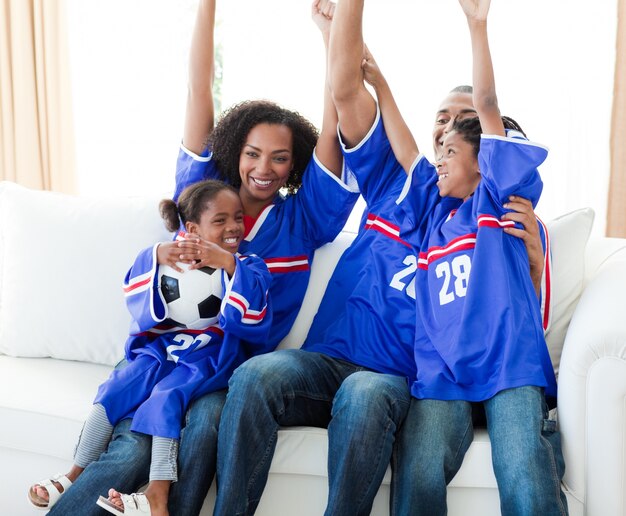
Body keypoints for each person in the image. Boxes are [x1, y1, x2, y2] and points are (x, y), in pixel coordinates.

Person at [213, 2, 552, 515]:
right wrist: (342, 29)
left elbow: (514, 303)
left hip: (397, 374)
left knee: (367, 396)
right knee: (257, 376)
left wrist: (532, 258)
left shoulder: (498, 211)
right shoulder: (401, 185)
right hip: (332, 357)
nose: (449, 129)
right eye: (442, 119)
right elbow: (348, 91)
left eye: (464, 122)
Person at [38, 1, 359, 515]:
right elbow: (198, 90)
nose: (264, 168)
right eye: (253, 153)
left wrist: (329, 38)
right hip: (164, 351)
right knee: (134, 443)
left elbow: (333, 131)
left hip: (226, 366)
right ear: (234, 151)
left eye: (280, 158)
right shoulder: (203, 195)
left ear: (294, 164)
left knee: (205, 425)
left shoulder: (305, 220)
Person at [368, 0, 567, 514]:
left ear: (485, 165)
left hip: (508, 364)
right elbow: (408, 149)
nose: (439, 160)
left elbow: (487, 106)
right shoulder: (432, 211)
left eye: (451, 152)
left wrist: (476, 26)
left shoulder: (498, 201)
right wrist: (381, 85)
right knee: (419, 464)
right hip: (443, 373)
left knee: (523, 466)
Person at [28, 179, 273, 515]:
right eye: (220, 221)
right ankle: (75, 472)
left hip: (207, 356)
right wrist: (156, 254)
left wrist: (228, 264)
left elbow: (256, 312)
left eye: (238, 218)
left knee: (165, 398)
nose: (233, 227)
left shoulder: (248, 263)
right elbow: (136, 292)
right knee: (114, 390)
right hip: (163, 349)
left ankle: (158, 493)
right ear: (191, 229)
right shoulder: (170, 254)